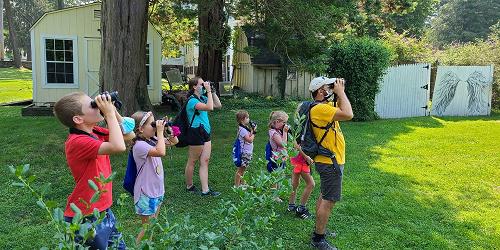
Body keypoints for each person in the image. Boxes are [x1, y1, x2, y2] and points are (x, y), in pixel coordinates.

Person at [53, 92, 134, 249]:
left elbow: (128, 134)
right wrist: (109, 114)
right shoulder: (77, 142)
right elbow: (118, 146)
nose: (98, 105)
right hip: (86, 215)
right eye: (92, 105)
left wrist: (113, 110)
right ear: (78, 119)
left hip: (103, 209)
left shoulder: (94, 132)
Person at [308, 77, 353, 250]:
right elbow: (348, 114)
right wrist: (340, 92)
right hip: (330, 162)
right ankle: (318, 239)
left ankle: (319, 231)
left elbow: (342, 107)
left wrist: (338, 94)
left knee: (324, 195)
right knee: (329, 200)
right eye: (328, 87)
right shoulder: (320, 109)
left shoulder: (323, 107)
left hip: (328, 160)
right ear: (320, 91)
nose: (331, 88)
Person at [130, 111, 178, 244]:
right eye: (152, 124)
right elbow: (161, 152)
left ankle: (147, 246)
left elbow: (174, 141)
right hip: (145, 192)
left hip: (157, 190)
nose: (155, 126)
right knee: (147, 226)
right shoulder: (139, 145)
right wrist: (161, 133)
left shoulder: (152, 139)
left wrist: (168, 129)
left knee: (153, 223)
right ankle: (138, 247)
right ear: (140, 129)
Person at [184, 77, 222, 196]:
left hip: (205, 132)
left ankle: (205, 190)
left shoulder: (203, 98)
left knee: (205, 161)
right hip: (196, 133)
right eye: (201, 84)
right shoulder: (192, 101)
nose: (204, 85)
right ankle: (189, 186)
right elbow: (209, 107)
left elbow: (218, 105)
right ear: (194, 87)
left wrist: (213, 91)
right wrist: (209, 91)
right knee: (192, 160)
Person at [288, 104, 315, 219]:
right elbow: (297, 146)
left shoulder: (298, 127)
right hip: (301, 160)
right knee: (311, 184)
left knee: (295, 183)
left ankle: (291, 205)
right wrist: (307, 157)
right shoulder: (301, 128)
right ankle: (301, 207)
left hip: (297, 159)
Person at [233, 110, 255, 188]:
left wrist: (252, 130)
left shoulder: (244, 128)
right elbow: (250, 140)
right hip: (244, 152)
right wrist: (254, 132)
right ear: (243, 119)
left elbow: (249, 136)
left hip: (247, 152)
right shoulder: (242, 129)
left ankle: (242, 183)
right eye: (247, 117)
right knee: (241, 169)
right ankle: (237, 185)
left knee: (244, 168)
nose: (249, 119)